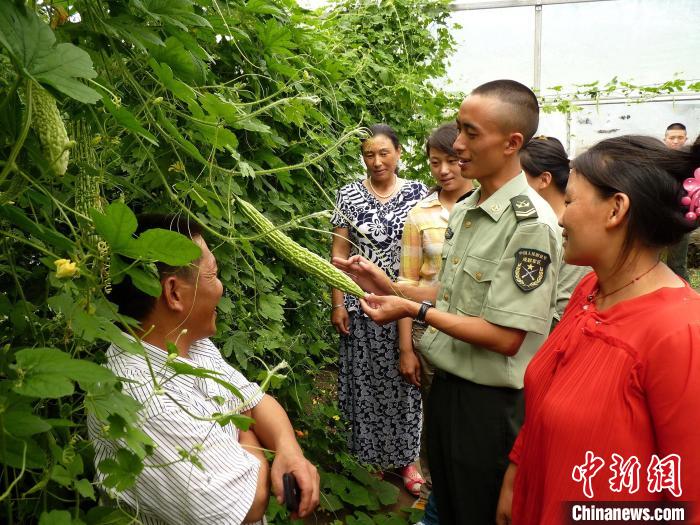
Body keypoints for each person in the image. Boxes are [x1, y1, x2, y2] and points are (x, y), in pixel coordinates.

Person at [333, 80, 562, 524]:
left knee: (477, 510)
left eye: (471, 133)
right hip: (449, 389)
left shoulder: (530, 224)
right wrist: (386, 284)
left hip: (489, 405)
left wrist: (411, 310)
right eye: (459, 130)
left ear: (512, 142)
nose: (457, 145)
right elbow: (454, 293)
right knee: (450, 504)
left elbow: (506, 336)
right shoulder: (469, 207)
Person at [496, 136, 700, 525]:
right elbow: (544, 409)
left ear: (616, 210)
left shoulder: (681, 334)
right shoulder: (590, 291)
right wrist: (516, 476)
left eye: (570, 201)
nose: (560, 217)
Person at [88, 215, 320, 525]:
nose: (221, 287)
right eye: (213, 274)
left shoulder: (189, 344)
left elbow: (258, 402)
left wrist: (288, 449)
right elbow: (249, 503)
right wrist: (248, 429)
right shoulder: (140, 400)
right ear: (174, 293)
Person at [330, 124, 428, 494]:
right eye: (369, 154)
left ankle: (407, 460)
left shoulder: (420, 193)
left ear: (399, 153)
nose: (376, 161)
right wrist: (339, 302)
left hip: (407, 302)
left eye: (384, 153)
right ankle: (368, 459)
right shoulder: (349, 194)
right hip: (361, 305)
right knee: (365, 382)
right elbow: (337, 255)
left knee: (407, 383)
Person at [396, 122, 474, 520]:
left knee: (470, 416)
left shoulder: (483, 207)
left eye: (451, 160)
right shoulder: (419, 214)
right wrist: (406, 346)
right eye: (435, 163)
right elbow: (404, 285)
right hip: (428, 333)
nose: (444, 170)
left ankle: (463, 495)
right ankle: (434, 491)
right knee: (434, 414)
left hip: (478, 333)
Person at [520, 135, 591, 330]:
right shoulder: (529, 220)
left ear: (544, 179)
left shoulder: (568, 230)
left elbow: (563, 307)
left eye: (518, 177)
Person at [664, 123, 692, 281]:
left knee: (676, 264)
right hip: (657, 216)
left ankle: (687, 300)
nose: (676, 141)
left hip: (681, 219)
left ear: (686, 139)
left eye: (680, 137)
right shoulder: (658, 159)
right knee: (650, 262)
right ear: (665, 139)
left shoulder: (692, 162)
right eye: (672, 137)